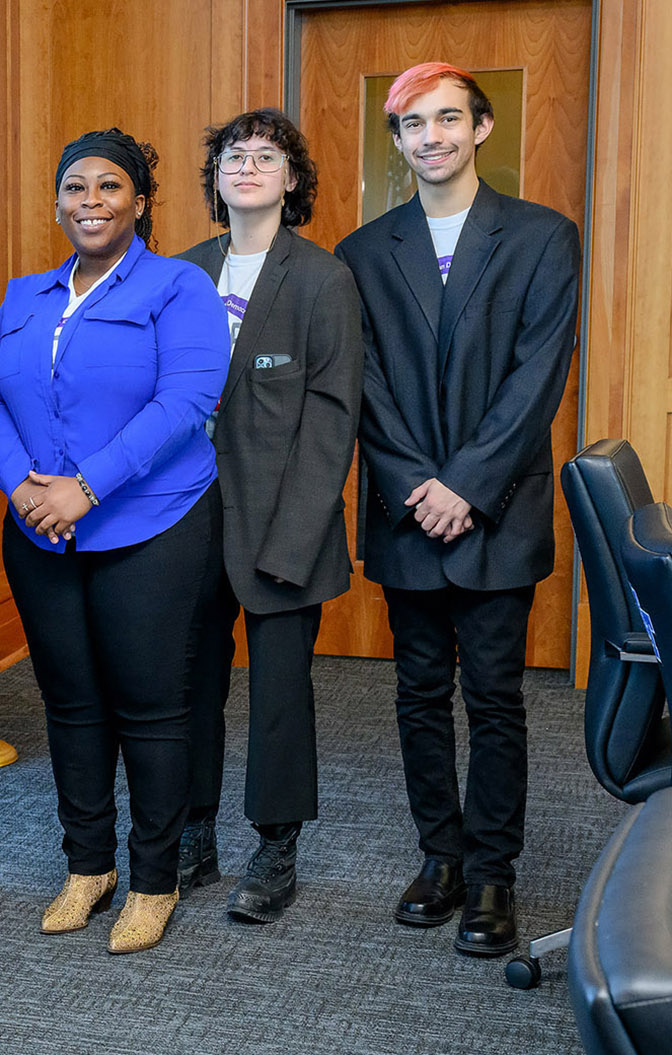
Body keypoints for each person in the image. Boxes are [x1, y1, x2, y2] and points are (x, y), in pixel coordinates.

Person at [336, 63, 579, 958]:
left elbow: (536, 380)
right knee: (417, 695)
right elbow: (363, 385)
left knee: (495, 698)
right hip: (407, 508)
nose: (431, 136)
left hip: (497, 508)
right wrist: (417, 484)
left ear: (481, 129)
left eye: (448, 120)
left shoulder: (544, 237)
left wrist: (466, 486)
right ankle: (439, 858)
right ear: (398, 141)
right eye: (412, 124)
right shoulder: (364, 251)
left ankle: (491, 875)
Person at [0, 128, 228, 954]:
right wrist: (25, 490)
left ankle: (154, 878)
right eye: (75, 188)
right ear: (57, 203)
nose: (91, 202)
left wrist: (84, 488)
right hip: (41, 533)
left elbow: (185, 402)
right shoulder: (25, 294)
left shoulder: (179, 287)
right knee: (71, 707)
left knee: (152, 710)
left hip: (149, 526)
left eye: (109, 186)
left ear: (141, 202)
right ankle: (88, 866)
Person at [174, 109, 363, 923]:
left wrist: (295, 539)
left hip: (286, 524)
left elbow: (332, 420)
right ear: (215, 180)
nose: (247, 166)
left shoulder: (323, 280)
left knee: (279, 692)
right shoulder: (180, 273)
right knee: (186, 687)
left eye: (266, 156)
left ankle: (276, 845)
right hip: (181, 520)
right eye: (232, 156)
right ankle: (190, 833)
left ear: (292, 180)